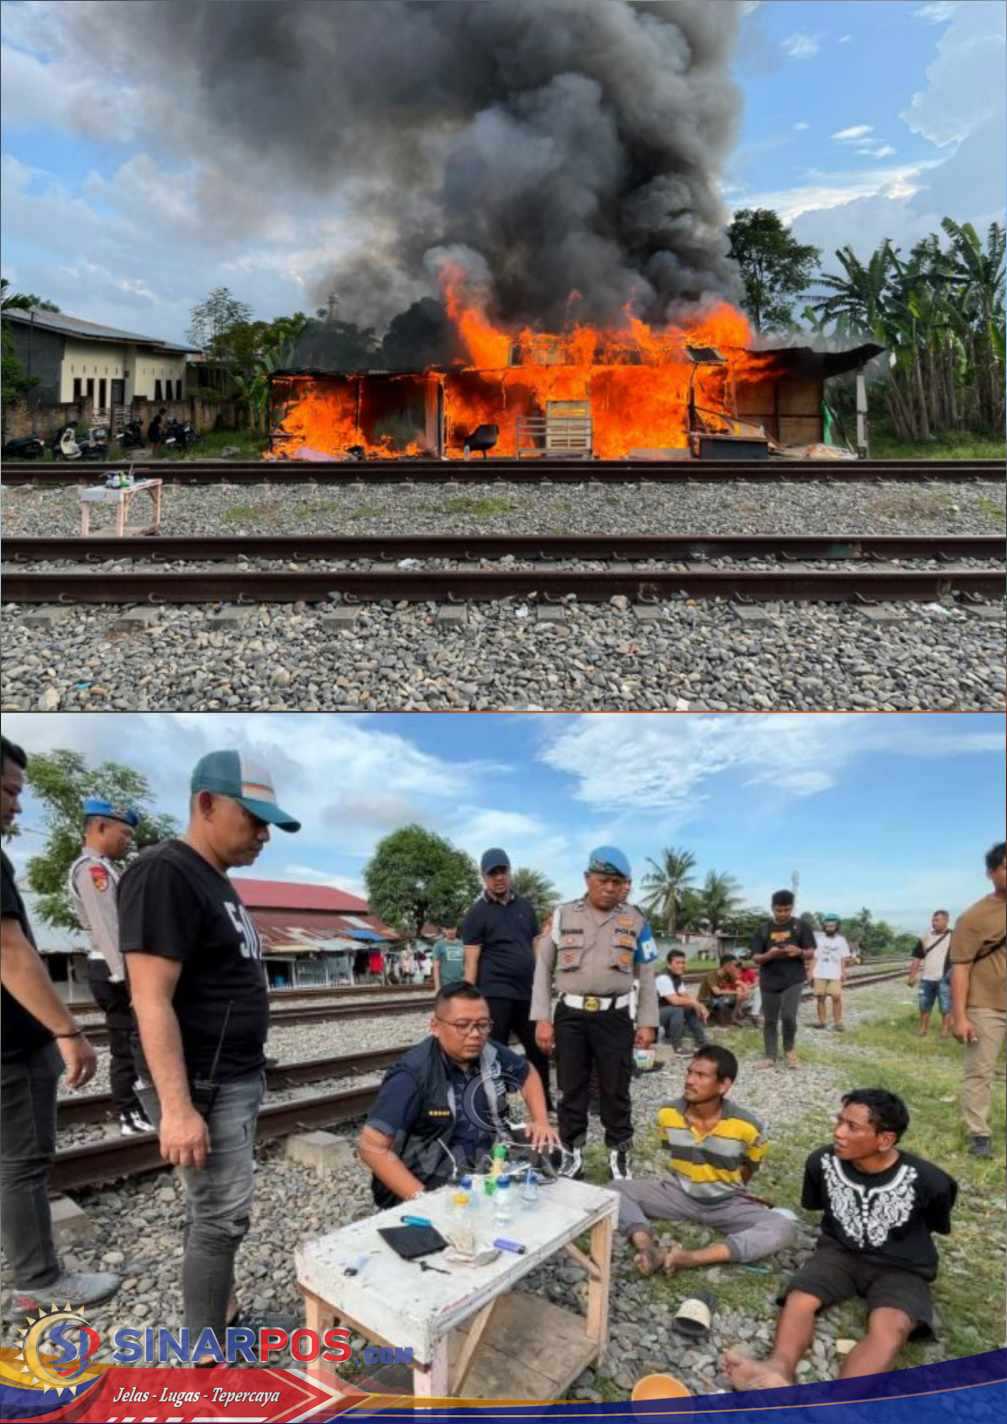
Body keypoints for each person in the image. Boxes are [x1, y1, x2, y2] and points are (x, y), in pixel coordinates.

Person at [118, 750, 300, 1347]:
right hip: (205, 1084)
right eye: (253, 819)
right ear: (206, 804)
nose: (263, 834)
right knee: (222, 1219)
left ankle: (219, 1308)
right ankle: (204, 1355)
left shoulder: (213, 879)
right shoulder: (164, 873)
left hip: (232, 1077)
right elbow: (150, 998)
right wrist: (176, 1107)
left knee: (211, 1214)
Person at [723, 1089, 958, 1389]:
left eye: (852, 1127)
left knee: (892, 1327)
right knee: (799, 1300)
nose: (838, 1132)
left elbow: (937, 1221)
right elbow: (817, 1204)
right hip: (839, 1253)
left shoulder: (930, 1180)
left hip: (903, 1267)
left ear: (885, 1139)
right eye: (839, 1121)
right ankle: (778, 1369)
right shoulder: (821, 1162)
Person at [1, 736, 121, 1321]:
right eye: (8, 791)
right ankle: (39, 1279)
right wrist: (66, 1031)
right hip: (12, 1044)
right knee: (22, 1161)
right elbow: (9, 948)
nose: (16, 807)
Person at [357, 982, 559, 1207]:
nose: (475, 1034)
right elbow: (371, 1148)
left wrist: (540, 1121)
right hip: (430, 1180)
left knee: (552, 1154)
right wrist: (424, 1202)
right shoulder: (412, 1076)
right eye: (462, 1025)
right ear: (435, 1026)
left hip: (482, 1169)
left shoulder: (490, 1051)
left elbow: (527, 1073)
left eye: (483, 1025)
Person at [531, 845, 658, 1181]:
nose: (610, 888)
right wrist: (542, 1018)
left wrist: (647, 1023)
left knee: (616, 1089)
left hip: (615, 1017)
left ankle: (619, 1156)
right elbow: (543, 968)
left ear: (625, 884)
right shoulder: (562, 915)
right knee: (570, 1088)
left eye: (618, 882)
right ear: (588, 879)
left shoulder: (638, 920)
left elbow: (647, 974)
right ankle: (572, 1154)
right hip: (570, 1015)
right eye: (603, 880)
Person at [615, 1044, 795, 1276]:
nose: (690, 1080)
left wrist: (726, 1189)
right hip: (678, 1194)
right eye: (689, 1072)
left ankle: (689, 1258)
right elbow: (674, 1150)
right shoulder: (667, 1115)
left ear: (724, 1085)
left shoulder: (749, 1127)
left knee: (783, 1227)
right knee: (616, 1190)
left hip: (726, 1204)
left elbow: (750, 1167)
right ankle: (648, 1248)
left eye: (701, 1075)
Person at [68, 796, 152, 1136]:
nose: (127, 841)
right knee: (126, 1043)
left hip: (114, 968)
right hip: (112, 969)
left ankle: (135, 1108)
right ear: (100, 827)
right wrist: (127, 976)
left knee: (133, 1040)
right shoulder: (93, 870)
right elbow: (107, 927)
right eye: (125, 833)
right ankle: (128, 1113)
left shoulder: (101, 866)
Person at [462, 848, 552, 1109]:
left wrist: (542, 982)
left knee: (538, 1051)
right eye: (493, 873)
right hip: (495, 993)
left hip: (526, 993)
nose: (499, 878)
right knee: (492, 1052)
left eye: (503, 871)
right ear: (484, 877)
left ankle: (544, 1105)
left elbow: (535, 946)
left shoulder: (525, 907)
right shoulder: (476, 913)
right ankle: (494, 1107)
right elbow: (471, 959)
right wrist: (469, 998)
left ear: (509, 872)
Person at [948, 842, 1006, 1159]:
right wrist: (960, 1017)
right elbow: (961, 968)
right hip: (987, 1005)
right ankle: (979, 1133)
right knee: (980, 1071)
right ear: (991, 873)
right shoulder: (975, 917)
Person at [751, 890, 816, 1070]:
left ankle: (789, 1050)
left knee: (788, 1016)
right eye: (779, 910)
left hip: (793, 979)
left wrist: (800, 952)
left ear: (792, 908)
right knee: (770, 1019)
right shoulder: (763, 929)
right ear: (772, 908)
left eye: (787, 910)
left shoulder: (801, 926)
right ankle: (770, 1055)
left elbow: (811, 951)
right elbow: (755, 958)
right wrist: (769, 955)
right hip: (769, 980)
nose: (783, 914)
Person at [907, 910, 953, 1039]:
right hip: (927, 978)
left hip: (944, 978)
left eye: (937, 920)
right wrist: (912, 976)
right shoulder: (925, 938)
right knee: (924, 1005)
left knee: (945, 1006)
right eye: (933, 920)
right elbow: (917, 958)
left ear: (946, 921)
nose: (934, 923)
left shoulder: (954, 936)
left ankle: (944, 1031)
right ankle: (923, 1029)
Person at [655, 950, 708, 1054]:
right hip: (652, 1015)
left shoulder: (677, 977)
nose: (681, 965)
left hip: (665, 1011)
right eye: (678, 963)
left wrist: (699, 1006)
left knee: (689, 1007)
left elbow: (685, 996)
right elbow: (674, 1000)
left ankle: (701, 1042)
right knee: (677, 1009)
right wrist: (695, 1003)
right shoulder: (663, 978)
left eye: (683, 962)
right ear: (669, 964)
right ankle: (676, 1047)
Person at [810, 914, 852, 1033]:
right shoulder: (819, 940)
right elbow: (815, 957)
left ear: (837, 926)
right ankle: (822, 1022)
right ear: (824, 927)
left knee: (836, 997)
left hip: (835, 973)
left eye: (832, 926)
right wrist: (810, 972)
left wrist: (844, 972)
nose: (829, 928)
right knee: (820, 998)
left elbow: (844, 958)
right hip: (819, 972)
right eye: (827, 926)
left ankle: (838, 1022)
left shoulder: (841, 940)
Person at [697, 956, 755, 1025]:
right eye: (734, 965)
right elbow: (717, 992)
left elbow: (739, 983)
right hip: (706, 1000)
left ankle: (733, 1017)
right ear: (726, 965)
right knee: (733, 996)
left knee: (740, 995)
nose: (735, 967)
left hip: (718, 998)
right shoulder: (712, 975)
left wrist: (744, 989)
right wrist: (737, 992)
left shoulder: (728, 975)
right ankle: (722, 1018)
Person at [432, 925, 466, 992]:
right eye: (447, 929)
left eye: (452, 928)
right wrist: (437, 986)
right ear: (443, 930)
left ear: (456, 928)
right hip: (446, 984)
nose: (450, 931)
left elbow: (467, 964)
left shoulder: (463, 944)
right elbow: (436, 967)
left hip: (461, 983)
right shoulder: (438, 945)